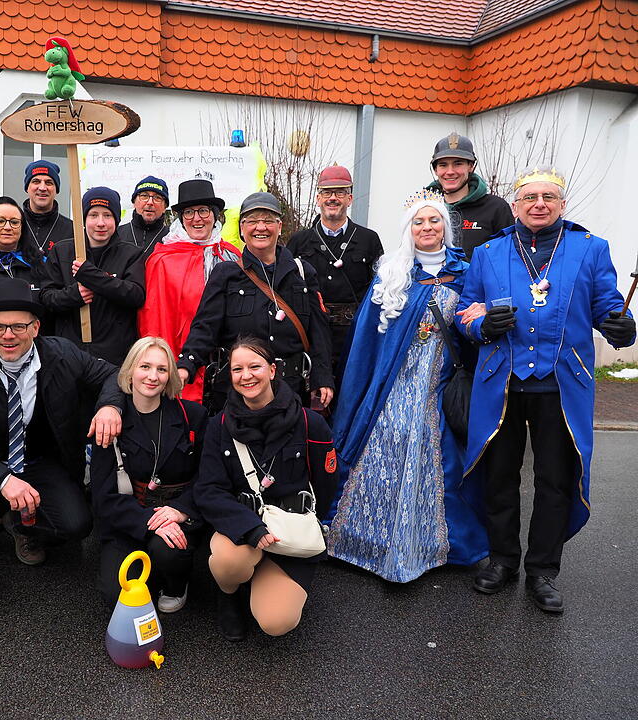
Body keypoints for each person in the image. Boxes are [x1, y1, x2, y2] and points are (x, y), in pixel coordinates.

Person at [456, 167, 635, 613]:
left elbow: (608, 306)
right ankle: (502, 559)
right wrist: (481, 325)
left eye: (548, 197)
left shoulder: (590, 249)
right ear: (515, 206)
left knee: (555, 479)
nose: (539, 204)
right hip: (502, 381)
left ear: (562, 204)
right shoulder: (490, 253)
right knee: (499, 476)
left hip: (561, 383)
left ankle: (542, 570)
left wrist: (621, 325)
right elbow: (465, 310)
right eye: (530, 197)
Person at [0, 278, 124, 619]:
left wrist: (110, 406)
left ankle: (20, 524)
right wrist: (3, 480)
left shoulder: (62, 354)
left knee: (77, 526)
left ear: (35, 327)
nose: (8, 335)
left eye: (19, 326)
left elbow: (114, 375)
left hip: (37, 460)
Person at [325, 191, 489, 582]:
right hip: (392, 389)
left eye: (434, 221)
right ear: (408, 230)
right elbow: (367, 343)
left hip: (439, 388)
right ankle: (365, 540)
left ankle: (435, 545)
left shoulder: (466, 273)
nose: (427, 228)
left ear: (445, 228)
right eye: (419, 222)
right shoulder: (393, 274)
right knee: (382, 456)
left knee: (441, 465)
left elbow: (473, 333)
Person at [193, 337, 337, 641]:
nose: (246, 375)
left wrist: (306, 528)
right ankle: (229, 594)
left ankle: (268, 577)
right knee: (229, 563)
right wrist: (252, 530)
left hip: (289, 531)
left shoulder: (310, 423)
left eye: (255, 366)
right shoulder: (219, 425)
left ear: (272, 370)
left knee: (276, 622)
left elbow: (326, 486)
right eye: (237, 369)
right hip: (242, 530)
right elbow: (208, 489)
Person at [178, 192, 335, 413]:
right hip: (237, 394)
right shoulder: (226, 273)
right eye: (252, 221)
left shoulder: (301, 273)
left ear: (279, 226)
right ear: (242, 228)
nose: (260, 227)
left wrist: (322, 376)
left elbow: (318, 330)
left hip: (289, 391)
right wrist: (186, 366)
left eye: (268, 220)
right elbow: (205, 327)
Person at [90, 337, 208, 611]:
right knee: (115, 595)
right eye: (145, 366)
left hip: (177, 514)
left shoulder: (194, 416)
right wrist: (149, 521)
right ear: (130, 370)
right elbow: (103, 496)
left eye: (162, 369)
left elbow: (208, 477)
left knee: (169, 551)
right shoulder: (110, 421)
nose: (152, 376)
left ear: (170, 377)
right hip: (130, 516)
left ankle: (176, 583)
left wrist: (180, 511)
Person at [139, 179, 241, 402]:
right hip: (180, 357)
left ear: (215, 215)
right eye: (189, 212)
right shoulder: (162, 259)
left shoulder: (232, 255)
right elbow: (154, 317)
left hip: (228, 363)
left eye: (203, 211)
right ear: (181, 219)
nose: (197, 218)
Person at [286, 165, 383, 369]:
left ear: (350, 198)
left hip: (355, 335)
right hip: (310, 334)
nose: (333, 198)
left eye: (340, 192)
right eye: (327, 192)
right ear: (318, 198)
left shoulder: (369, 240)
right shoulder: (299, 241)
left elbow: (379, 290)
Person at [39, 186, 145, 365]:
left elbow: (135, 295)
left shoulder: (131, 254)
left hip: (114, 358)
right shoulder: (62, 251)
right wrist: (74, 295)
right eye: (93, 215)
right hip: (68, 355)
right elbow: (46, 297)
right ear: (84, 219)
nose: (100, 223)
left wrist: (92, 276)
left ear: (117, 219)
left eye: (107, 215)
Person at [426, 132, 513, 259]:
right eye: (443, 165)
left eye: (458, 163)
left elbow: (509, 256)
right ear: (435, 170)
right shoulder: (424, 209)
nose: (450, 171)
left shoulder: (496, 207)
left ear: (471, 166)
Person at [20, 160, 73, 267]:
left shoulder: (72, 230)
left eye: (49, 183)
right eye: (36, 181)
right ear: (27, 188)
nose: (42, 188)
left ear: (56, 189)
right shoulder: (13, 225)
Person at [116, 175, 170, 257]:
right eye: (144, 196)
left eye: (157, 197)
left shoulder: (172, 238)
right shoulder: (116, 234)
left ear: (165, 207)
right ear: (134, 202)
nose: (150, 202)